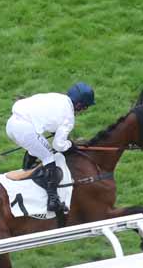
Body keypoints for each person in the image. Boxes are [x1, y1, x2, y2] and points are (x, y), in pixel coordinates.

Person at [6, 82, 95, 212]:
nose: (83, 110)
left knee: (37, 146)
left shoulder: (57, 97)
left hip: (11, 124)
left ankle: (27, 169)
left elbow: (48, 117)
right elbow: (58, 145)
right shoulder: (69, 117)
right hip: (25, 130)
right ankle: (53, 200)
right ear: (79, 105)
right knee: (48, 157)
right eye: (85, 107)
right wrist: (70, 145)